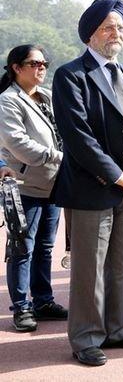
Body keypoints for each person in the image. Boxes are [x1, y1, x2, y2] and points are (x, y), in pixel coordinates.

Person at [52, 0, 123, 366]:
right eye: (108, 27)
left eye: (121, 27)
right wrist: (116, 175)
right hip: (92, 187)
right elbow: (78, 137)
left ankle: (117, 328)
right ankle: (85, 338)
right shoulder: (70, 75)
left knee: (120, 265)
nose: (116, 33)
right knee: (89, 269)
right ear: (91, 34)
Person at [0, 45, 67, 332]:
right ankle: (22, 307)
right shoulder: (8, 101)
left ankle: (43, 301)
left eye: (45, 63)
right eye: (35, 63)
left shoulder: (47, 96)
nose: (41, 68)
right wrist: (61, 157)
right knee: (22, 248)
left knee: (45, 247)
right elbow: (19, 145)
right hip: (25, 185)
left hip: (53, 184)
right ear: (16, 67)